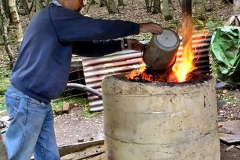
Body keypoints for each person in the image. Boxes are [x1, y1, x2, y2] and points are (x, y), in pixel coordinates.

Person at [4, 0, 163, 159]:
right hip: (27, 100)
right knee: (19, 156)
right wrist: (137, 27)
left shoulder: (56, 22)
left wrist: (124, 44)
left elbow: (89, 47)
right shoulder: (57, 16)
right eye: (80, 0)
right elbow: (97, 28)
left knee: (49, 155)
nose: (82, 4)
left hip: (37, 101)